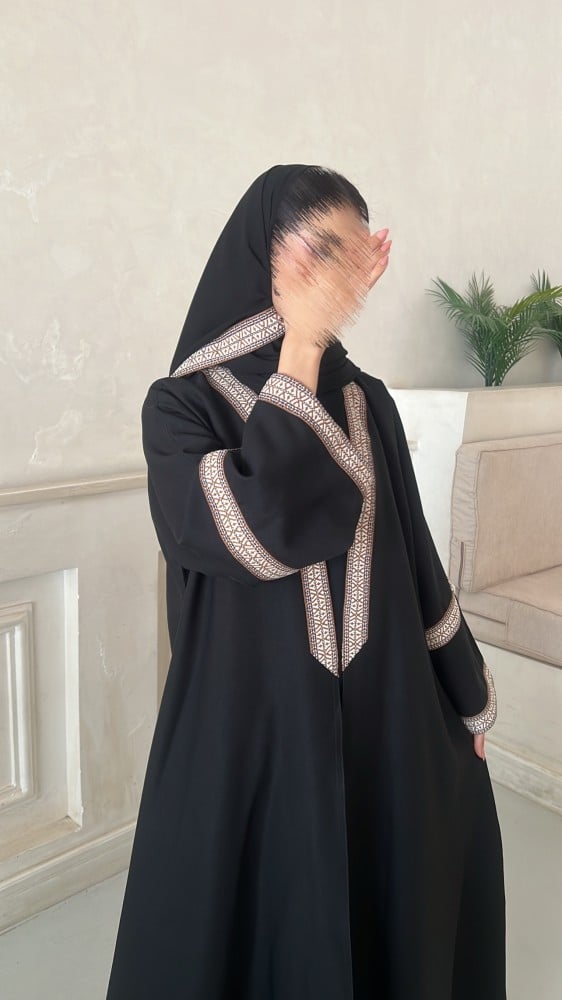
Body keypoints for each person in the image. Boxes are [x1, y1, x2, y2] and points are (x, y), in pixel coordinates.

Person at [105, 164, 506, 1000]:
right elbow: (261, 530)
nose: (337, 276)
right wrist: (303, 346)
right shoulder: (179, 408)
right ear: (263, 250)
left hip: (387, 720)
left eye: (351, 257)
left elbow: (414, 560)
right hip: (248, 730)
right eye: (319, 249)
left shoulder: (368, 400)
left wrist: (465, 696)